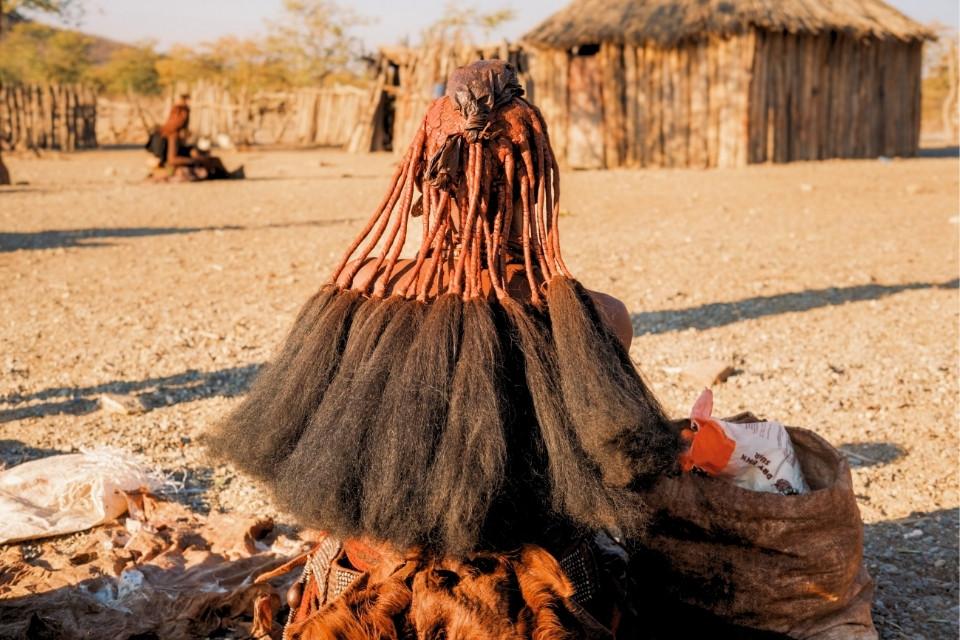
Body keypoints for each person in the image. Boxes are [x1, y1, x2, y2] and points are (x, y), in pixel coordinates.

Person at [208, 60, 681, 637]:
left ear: (426, 173)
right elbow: (614, 469)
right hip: (531, 598)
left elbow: (298, 453)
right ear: (535, 177)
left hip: (366, 588)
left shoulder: (361, 298)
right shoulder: (599, 318)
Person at [146, 94, 243, 181]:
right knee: (213, 161)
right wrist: (196, 160)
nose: (186, 120)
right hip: (171, 166)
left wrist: (195, 152)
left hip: (173, 163)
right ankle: (229, 176)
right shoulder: (173, 134)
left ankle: (227, 176)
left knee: (211, 159)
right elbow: (172, 159)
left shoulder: (168, 131)